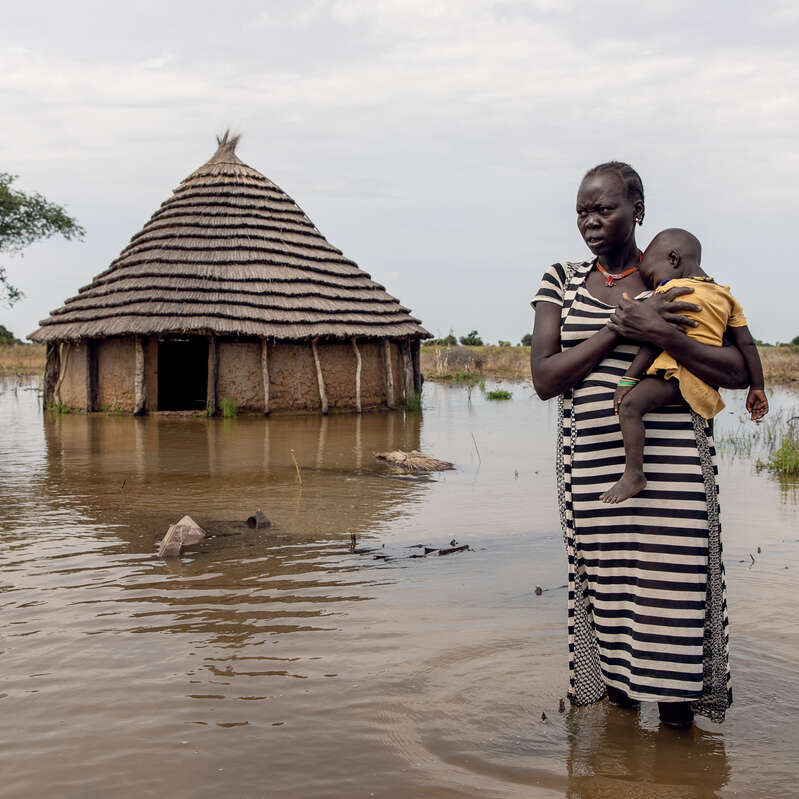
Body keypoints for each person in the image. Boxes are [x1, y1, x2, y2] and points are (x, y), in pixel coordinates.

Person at [530, 161, 749, 727]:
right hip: (596, 472)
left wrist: (664, 332)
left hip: (675, 473)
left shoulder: (683, 281)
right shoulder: (562, 278)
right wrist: (622, 327)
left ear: (637, 212)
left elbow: (739, 369)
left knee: (672, 610)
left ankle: (677, 746)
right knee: (612, 615)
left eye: (604, 208)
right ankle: (622, 757)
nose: (591, 221)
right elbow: (546, 380)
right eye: (582, 210)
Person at [600, 228, 768, 503]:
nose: (652, 285)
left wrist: (628, 379)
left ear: (673, 260)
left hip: (677, 374)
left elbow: (655, 341)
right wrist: (757, 387)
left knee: (630, 406)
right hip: (706, 382)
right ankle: (702, 480)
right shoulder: (726, 297)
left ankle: (633, 474)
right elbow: (747, 345)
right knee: (702, 433)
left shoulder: (670, 292)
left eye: (651, 276)